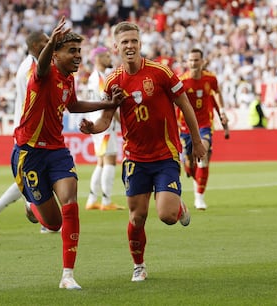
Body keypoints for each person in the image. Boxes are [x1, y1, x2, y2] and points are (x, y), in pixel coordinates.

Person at [79, 21, 206, 282]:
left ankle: (178, 207)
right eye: (124, 42)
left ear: (140, 43)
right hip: (135, 158)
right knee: (137, 218)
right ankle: (139, 265)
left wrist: (196, 140)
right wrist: (92, 127)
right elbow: (106, 119)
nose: (129, 46)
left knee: (167, 216)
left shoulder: (160, 73)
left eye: (133, 41)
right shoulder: (113, 81)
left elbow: (184, 104)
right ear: (116, 47)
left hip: (165, 155)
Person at [11, 17, 124, 290]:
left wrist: (108, 103)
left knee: (71, 201)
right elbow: (40, 65)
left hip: (57, 151)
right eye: (71, 51)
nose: (77, 56)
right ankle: (33, 206)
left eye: (79, 51)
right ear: (56, 53)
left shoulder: (68, 79)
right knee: (53, 223)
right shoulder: (42, 74)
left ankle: (68, 275)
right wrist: (50, 41)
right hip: (29, 153)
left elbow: (72, 105)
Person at [0, 31, 61, 235]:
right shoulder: (29, 70)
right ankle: (34, 210)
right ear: (35, 46)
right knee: (33, 176)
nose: (48, 44)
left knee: (30, 176)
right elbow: (35, 100)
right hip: (29, 132)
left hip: (33, 130)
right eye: (44, 42)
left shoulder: (32, 65)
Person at [177, 48, 229, 211]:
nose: (193, 63)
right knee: (190, 163)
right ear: (187, 62)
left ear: (202, 61)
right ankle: (192, 171)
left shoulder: (211, 79)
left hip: (205, 124)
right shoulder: (181, 81)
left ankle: (199, 197)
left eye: (196, 60)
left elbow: (217, 94)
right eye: (191, 60)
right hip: (185, 126)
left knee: (203, 155)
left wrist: (222, 112)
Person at [85, 46, 124, 211]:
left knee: (101, 162)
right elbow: (108, 104)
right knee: (110, 159)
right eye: (107, 56)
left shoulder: (94, 78)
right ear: (98, 59)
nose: (110, 59)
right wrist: (122, 121)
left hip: (96, 123)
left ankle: (92, 199)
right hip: (104, 124)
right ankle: (106, 201)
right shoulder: (100, 79)